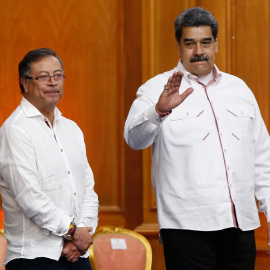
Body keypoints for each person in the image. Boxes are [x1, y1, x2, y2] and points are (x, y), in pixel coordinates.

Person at [124, 7, 270, 270]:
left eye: (205, 42)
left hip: (241, 226)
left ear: (216, 44)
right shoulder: (156, 88)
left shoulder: (240, 89)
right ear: (179, 47)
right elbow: (134, 139)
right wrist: (159, 111)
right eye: (189, 44)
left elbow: (262, 158)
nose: (198, 51)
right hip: (186, 229)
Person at [0, 48, 99, 270]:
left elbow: (88, 190)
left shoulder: (72, 129)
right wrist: (73, 233)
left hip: (77, 256)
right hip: (34, 257)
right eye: (43, 77)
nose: (53, 82)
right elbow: (30, 198)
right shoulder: (15, 130)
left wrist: (81, 234)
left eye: (58, 75)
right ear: (24, 83)